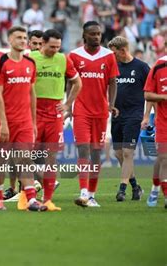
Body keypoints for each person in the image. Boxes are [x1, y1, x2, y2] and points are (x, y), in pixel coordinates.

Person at [0, 26, 47, 212]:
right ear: (9, 40)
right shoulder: (0, 63)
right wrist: (4, 124)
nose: (23, 41)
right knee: (1, 163)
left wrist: (32, 122)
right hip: (5, 123)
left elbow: (32, 93)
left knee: (24, 160)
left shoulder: (30, 63)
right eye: (19, 37)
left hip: (24, 123)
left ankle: (31, 199)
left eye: (24, 38)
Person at [68, 21, 119, 208]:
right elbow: (70, 82)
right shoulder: (74, 56)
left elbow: (113, 82)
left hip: (101, 111)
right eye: (92, 34)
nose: (96, 37)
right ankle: (83, 192)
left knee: (96, 153)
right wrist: (68, 105)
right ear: (84, 35)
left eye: (98, 34)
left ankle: (91, 194)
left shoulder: (109, 56)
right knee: (83, 149)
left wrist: (111, 105)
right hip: (81, 110)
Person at [31, 29, 82, 211]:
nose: (55, 50)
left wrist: (68, 104)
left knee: (51, 157)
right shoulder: (31, 59)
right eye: (52, 46)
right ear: (42, 43)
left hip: (54, 113)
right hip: (34, 112)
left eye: (58, 47)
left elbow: (77, 82)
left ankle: (47, 199)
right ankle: (29, 195)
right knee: (26, 155)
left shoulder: (63, 59)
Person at [108, 36, 152, 202]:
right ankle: (135, 186)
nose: (111, 57)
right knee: (119, 154)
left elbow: (150, 93)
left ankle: (122, 190)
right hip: (117, 115)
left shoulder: (141, 67)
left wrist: (147, 116)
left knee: (128, 153)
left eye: (113, 53)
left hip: (134, 115)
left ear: (123, 50)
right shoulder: (114, 68)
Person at [144, 54, 167, 209]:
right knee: (163, 158)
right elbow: (148, 95)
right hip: (164, 122)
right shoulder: (159, 66)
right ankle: (158, 190)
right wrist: (164, 97)